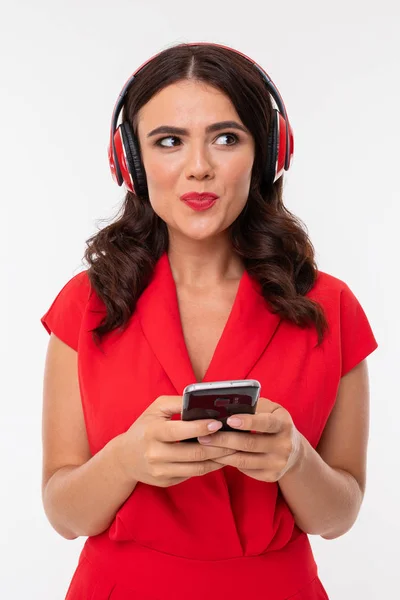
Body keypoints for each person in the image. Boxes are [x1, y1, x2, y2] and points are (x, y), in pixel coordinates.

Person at [40, 42, 378, 600]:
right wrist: (126, 460)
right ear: (132, 160)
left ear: (267, 153)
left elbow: (338, 517)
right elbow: (63, 514)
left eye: (226, 138)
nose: (199, 167)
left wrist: (294, 459)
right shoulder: (86, 304)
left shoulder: (330, 307)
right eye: (168, 141)